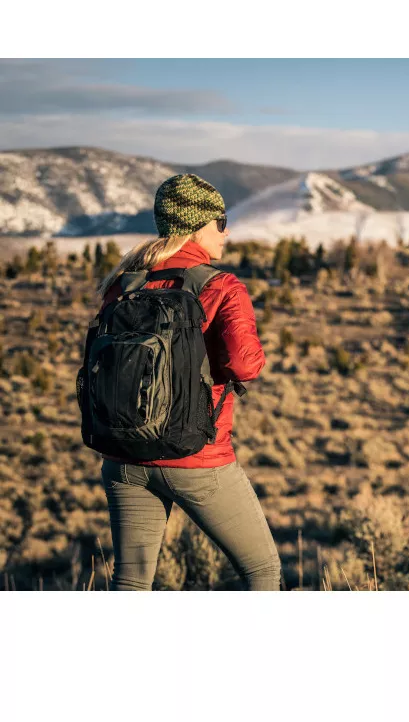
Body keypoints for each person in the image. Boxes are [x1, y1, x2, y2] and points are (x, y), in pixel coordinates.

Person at [95, 174, 281, 590]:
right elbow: (245, 365)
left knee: (131, 582)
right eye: (221, 222)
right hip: (197, 459)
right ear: (197, 226)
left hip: (124, 457)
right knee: (262, 571)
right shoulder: (221, 286)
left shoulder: (123, 284)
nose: (227, 232)